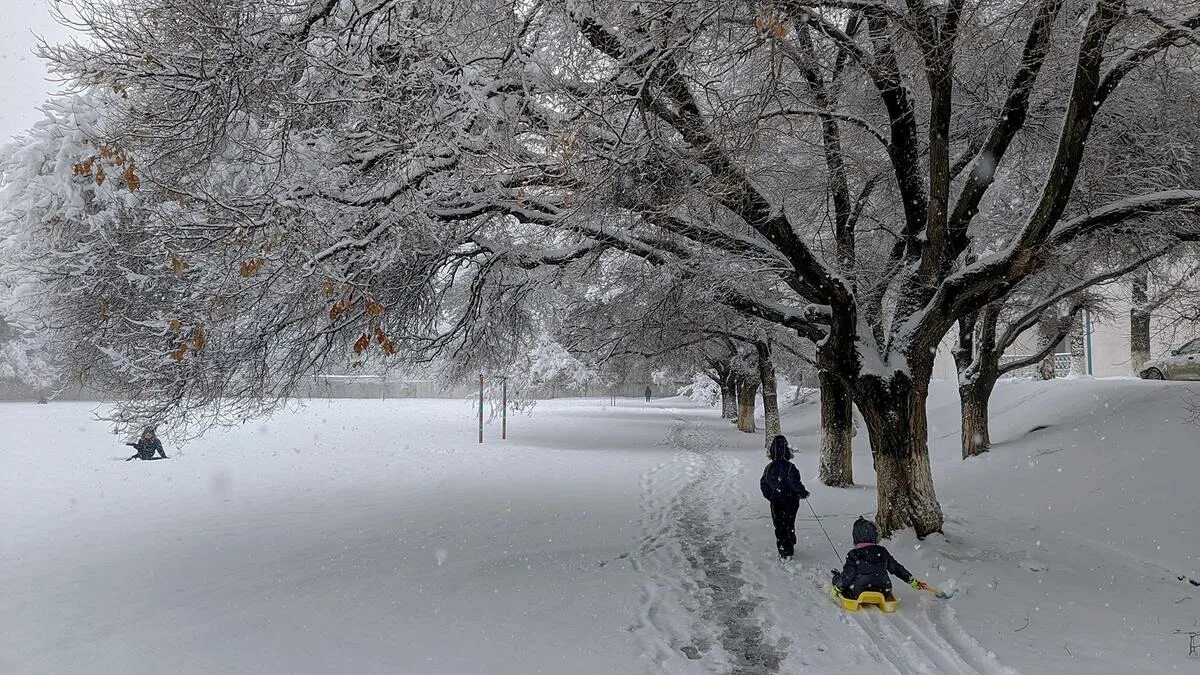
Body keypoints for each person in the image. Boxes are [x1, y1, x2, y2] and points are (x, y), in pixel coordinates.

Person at [831, 517, 928, 599]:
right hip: (883, 590)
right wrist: (912, 581)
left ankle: (836, 577)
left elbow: (848, 575)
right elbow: (896, 568)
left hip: (858, 590)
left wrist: (838, 587)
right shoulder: (882, 551)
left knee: (842, 579)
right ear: (875, 535)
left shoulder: (854, 554)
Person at [759, 435, 809, 559]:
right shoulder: (790, 467)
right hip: (791, 500)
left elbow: (763, 484)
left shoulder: (769, 468)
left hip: (777, 501)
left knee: (779, 524)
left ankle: (784, 547)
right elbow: (795, 483)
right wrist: (802, 492)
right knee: (789, 522)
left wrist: (771, 496)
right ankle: (789, 541)